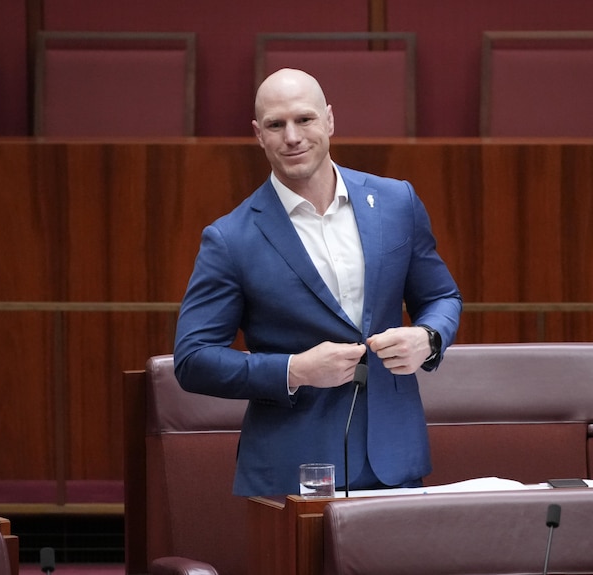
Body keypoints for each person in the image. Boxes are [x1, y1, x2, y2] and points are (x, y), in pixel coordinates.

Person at [174, 68, 461, 497]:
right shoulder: (230, 239)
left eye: (304, 119)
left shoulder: (396, 201)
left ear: (329, 120)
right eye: (276, 124)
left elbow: (441, 296)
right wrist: (295, 370)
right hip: (294, 471)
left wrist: (429, 338)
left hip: (394, 462)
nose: (292, 136)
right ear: (259, 134)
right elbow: (193, 359)